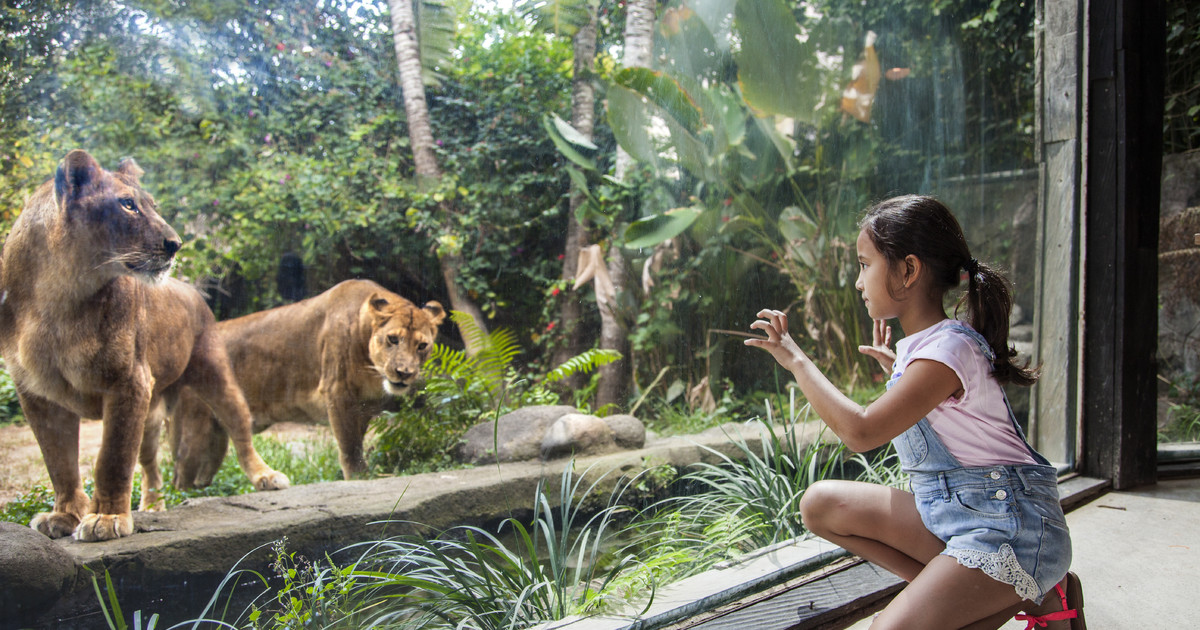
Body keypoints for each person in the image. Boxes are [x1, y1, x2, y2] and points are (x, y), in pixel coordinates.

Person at [745, 195, 1085, 629]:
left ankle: (1029, 590)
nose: (857, 282)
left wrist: (796, 360)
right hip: (956, 515)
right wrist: (896, 373)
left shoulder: (948, 349)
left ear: (907, 270)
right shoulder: (928, 351)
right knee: (820, 505)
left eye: (865, 264)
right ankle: (1008, 595)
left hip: (1013, 530)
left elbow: (862, 432)